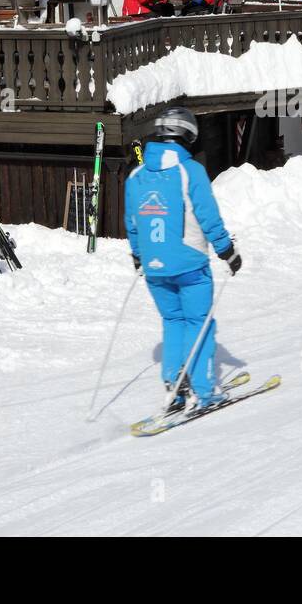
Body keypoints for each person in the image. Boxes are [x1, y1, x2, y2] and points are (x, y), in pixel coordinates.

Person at [125, 106, 243, 413]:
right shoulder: (190, 171)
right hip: (190, 264)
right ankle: (204, 391)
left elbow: (133, 222)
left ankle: (174, 384)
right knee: (199, 324)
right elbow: (207, 216)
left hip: (154, 267)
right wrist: (227, 250)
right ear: (187, 135)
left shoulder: (136, 176)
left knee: (173, 320)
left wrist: (138, 256)